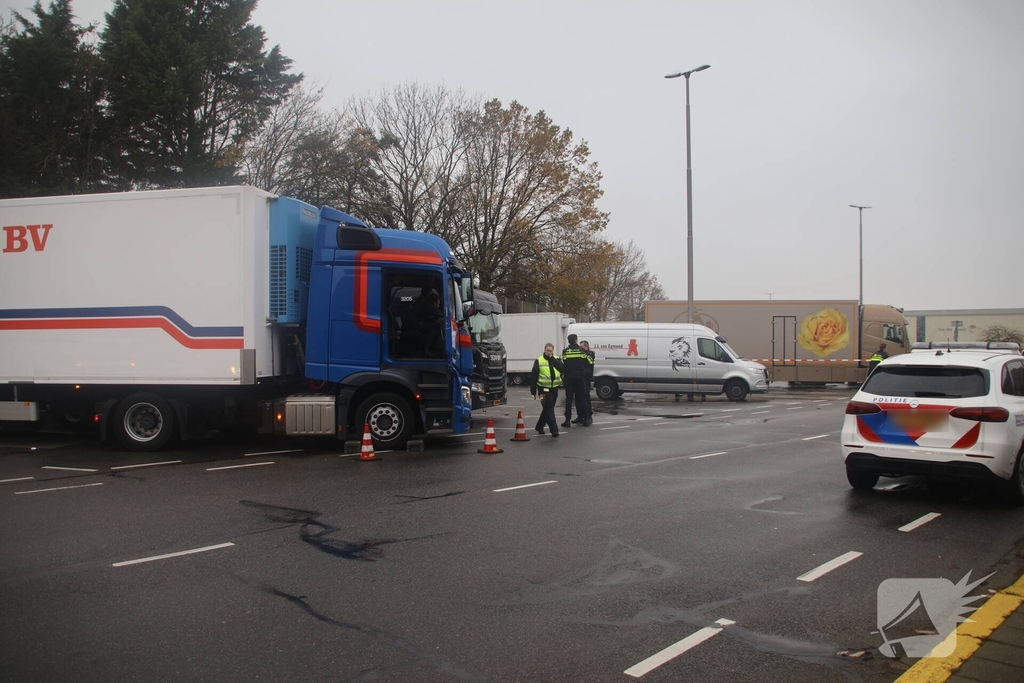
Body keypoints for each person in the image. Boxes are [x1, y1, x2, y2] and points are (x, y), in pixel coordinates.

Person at [530, 342, 565, 437]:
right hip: (543, 389)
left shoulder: (556, 359)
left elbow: (562, 368)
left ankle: (539, 426)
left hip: (554, 388)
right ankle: (554, 430)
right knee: (549, 408)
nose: (549, 352)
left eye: (550, 351)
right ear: (544, 350)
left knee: (547, 409)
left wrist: (552, 359)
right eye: (547, 350)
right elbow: (534, 376)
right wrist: (533, 391)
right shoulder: (539, 360)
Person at [560, 333, 591, 427]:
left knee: (569, 399)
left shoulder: (565, 351)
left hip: (569, 377)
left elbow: (564, 363)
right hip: (580, 377)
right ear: (576, 340)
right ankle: (586, 419)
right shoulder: (581, 351)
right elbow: (589, 362)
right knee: (582, 398)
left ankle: (567, 420)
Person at [576, 339, 595, 425]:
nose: (581, 348)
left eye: (582, 347)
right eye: (580, 347)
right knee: (578, 398)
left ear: (587, 347)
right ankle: (580, 416)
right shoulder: (581, 354)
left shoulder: (590, 354)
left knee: (586, 398)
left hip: (586, 378)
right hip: (580, 378)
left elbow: (590, 362)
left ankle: (588, 416)